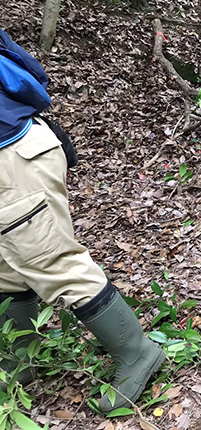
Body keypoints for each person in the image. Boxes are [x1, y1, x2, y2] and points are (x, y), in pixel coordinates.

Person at [0, 28, 164, 411]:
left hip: (12, 158)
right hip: (19, 150)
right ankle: (21, 361)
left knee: (52, 262)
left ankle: (137, 351)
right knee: (7, 269)